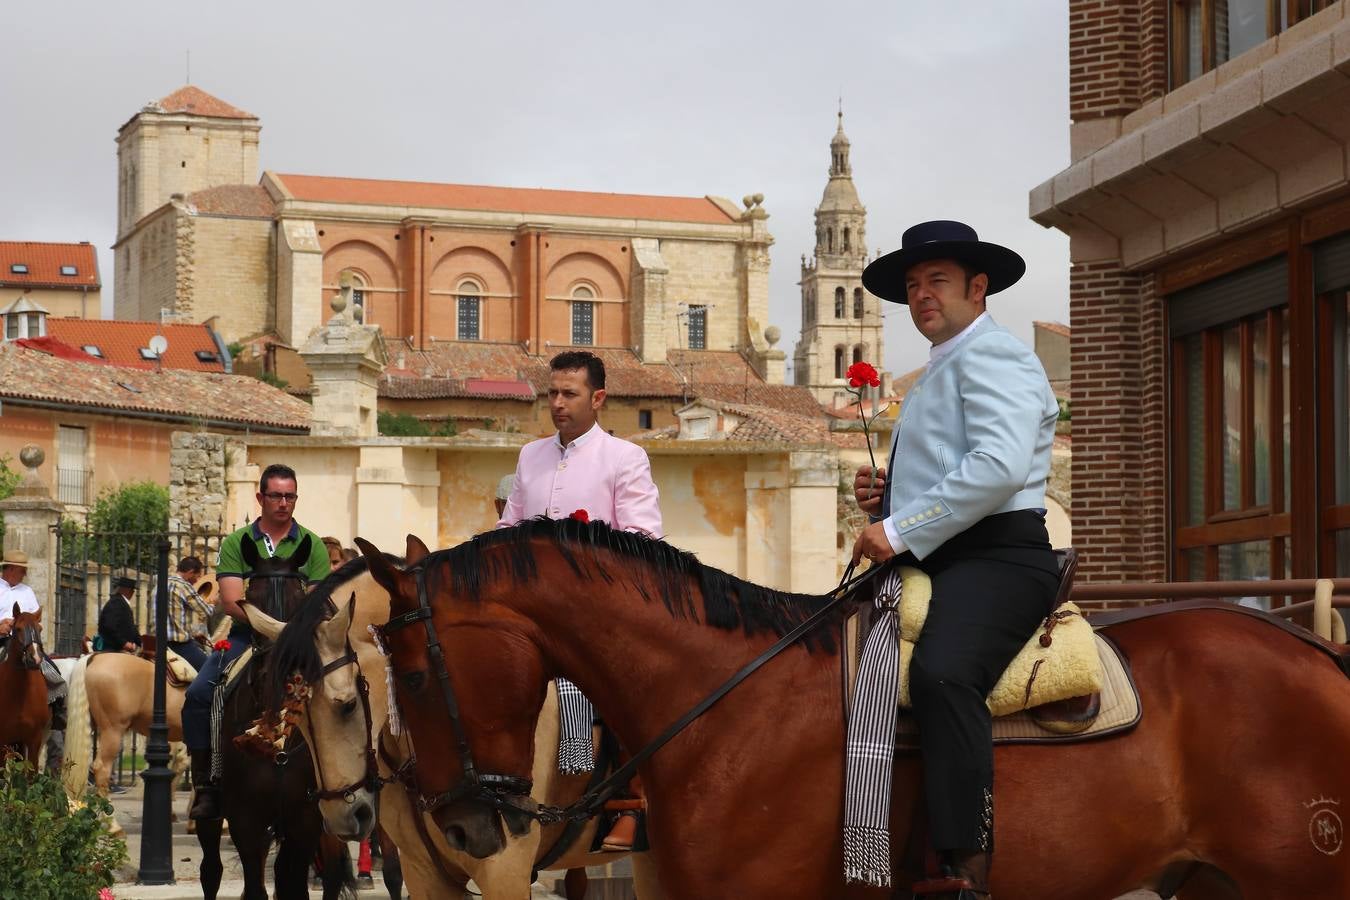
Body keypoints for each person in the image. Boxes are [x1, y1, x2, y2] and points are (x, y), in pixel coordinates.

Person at [851, 220, 1060, 899]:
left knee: (943, 674)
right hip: (944, 556)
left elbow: (998, 467)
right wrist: (889, 500)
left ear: (978, 286)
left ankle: (965, 867)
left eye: (935, 281)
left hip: (1000, 559)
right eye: (911, 286)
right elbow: (954, 467)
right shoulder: (944, 364)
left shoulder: (994, 354)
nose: (920, 296)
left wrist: (900, 528)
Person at [497, 350, 662, 851]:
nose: (558, 404)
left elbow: (644, 539)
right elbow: (510, 529)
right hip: (531, 613)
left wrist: (588, 556)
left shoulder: (625, 458)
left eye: (569, 394)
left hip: (600, 614)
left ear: (598, 398)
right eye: (553, 393)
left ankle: (630, 806)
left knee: (629, 695)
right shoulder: (531, 455)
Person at [183, 463, 330, 821]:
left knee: (341, 688)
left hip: (299, 641)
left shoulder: (312, 544)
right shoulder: (237, 543)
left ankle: (343, 780)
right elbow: (231, 599)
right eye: (276, 495)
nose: (283, 502)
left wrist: (292, 633)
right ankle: (208, 782)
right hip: (245, 638)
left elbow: (319, 599)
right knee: (200, 694)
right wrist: (270, 628)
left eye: (290, 496)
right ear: (261, 497)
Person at [154, 556, 214, 670]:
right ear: (191, 572)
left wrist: (193, 634)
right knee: (210, 670)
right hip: (179, 645)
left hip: (158, 643)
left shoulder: (159, 584)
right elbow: (207, 611)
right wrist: (213, 602)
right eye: (197, 576)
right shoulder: (184, 586)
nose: (197, 580)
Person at [98, 577, 142, 653]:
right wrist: (124, 643)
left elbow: (131, 627)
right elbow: (109, 626)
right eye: (132, 590)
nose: (133, 592)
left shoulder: (122, 603)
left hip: (121, 648)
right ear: (127, 590)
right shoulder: (116, 603)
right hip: (114, 649)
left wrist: (141, 642)